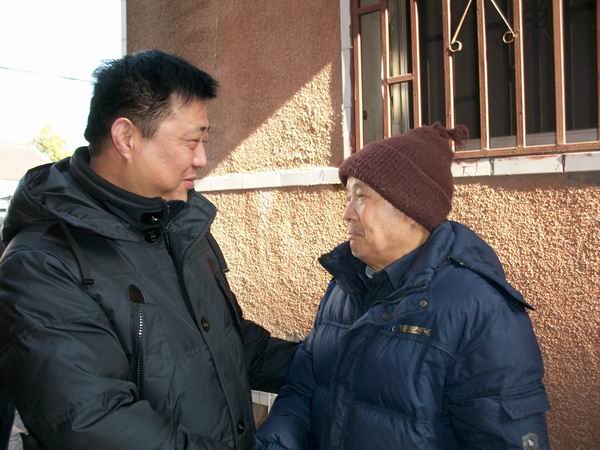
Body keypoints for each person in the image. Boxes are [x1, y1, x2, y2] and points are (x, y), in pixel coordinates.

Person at [0, 50, 298, 450]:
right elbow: (96, 424)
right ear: (126, 138)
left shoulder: (179, 227)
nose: (202, 158)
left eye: (204, 141)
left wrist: (342, 359)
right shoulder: (41, 264)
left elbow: (229, 345)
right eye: (191, 141)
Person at [256, 124, 550, 449]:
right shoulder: (343, 288)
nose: (346, 213)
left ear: (411, 210)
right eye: (348, 196)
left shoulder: (480, 310)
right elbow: (301, 392)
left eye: (361, 196)